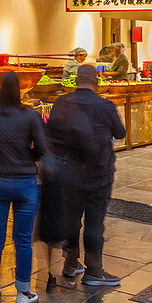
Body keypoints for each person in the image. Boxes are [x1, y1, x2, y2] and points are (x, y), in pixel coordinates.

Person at [0, 71, 48, 303]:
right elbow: (42, 148)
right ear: (19, 90)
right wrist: (28, 157)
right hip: (25, 181)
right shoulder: (30, 116)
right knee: (23, 239)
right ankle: (23, 291)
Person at [61, 65, 127, 286]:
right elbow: (121, 132)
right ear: (96, 81)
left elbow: (51, 131)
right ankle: (94, 270)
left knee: (71, 220)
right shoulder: (105, 105)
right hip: (98, 172)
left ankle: (70, 263)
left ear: (76, 80)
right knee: (94, 222)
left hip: (69, 172)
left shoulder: (62, 102)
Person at [38, 81, 95, 291]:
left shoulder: (59, 107)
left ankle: (52, 271)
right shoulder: (81, 120)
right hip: (74, 174)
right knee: (73, 220)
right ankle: (70, 263)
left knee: (52, 217)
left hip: (53, 173)